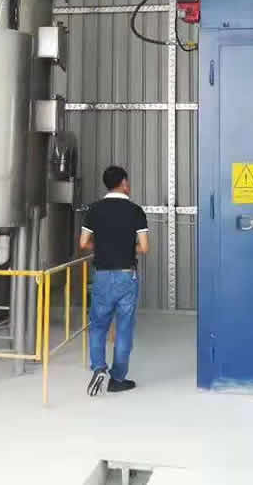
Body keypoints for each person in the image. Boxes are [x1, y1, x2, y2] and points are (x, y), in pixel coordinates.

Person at [79, 165, 149, 396]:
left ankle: (99, 367)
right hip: (126, 275)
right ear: (124, 183)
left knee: (98, 325)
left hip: (101, 275)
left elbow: (83, 243)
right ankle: (117, 379)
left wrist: (103, 246)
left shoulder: (94, 209)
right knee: (124, 328)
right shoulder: (135, 211)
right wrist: (126, 248)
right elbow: (144, 247)